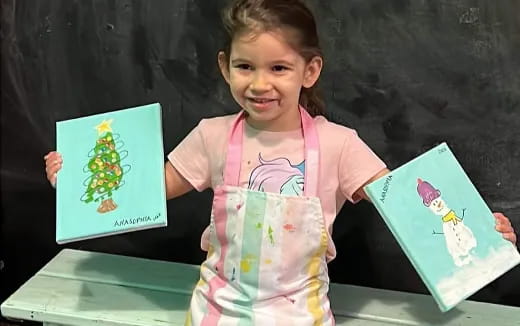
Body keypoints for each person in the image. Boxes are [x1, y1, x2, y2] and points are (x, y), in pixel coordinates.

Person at [44, 0, 517, 324]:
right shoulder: (211, 136)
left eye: (279, 68)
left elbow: (412, 204)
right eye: (246, 66)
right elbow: (146, 190)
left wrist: (475, 228)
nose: (259, 84)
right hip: (216, 309)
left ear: (309, 71)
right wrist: (76, 178)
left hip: (302, 313)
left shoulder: (339, 145)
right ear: (225, 65)